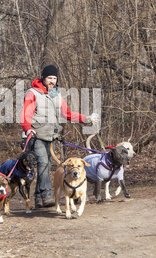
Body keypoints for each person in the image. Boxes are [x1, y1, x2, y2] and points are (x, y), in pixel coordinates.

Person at [20, 65, 99, 208]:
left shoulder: (57, 95)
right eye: (49, 78)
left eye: (54, 78)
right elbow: (26, 115)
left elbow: (67, 114)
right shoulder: (32, 93)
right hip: (36, 136)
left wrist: (87, 119)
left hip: (51, 137)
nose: (52, 81)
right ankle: (46, 194)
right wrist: (27, 129)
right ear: (43, 78)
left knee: (47, 165)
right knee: (43, 163)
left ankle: (38, 197)